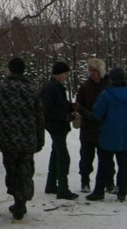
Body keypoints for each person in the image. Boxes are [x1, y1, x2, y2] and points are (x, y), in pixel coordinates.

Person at [0, 57, 45, 222]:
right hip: (28, 138)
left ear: (10, 70)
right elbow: (40, 117)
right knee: (25, 171)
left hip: (8, 138)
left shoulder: (0, 89)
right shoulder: (32, 90)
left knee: (12, 170)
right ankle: (21, 201)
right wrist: (40, 139)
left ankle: (17, 201)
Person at [86, 66, 127, 203]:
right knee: (124, 166)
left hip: (108, 134)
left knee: (104, 164)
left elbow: (97, 112)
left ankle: (99, 192)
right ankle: (122, 191)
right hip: (126, 135)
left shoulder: (107, 94)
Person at [74, 58, 114, 193]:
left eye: (95, 71)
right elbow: (79, 105)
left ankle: (109, 183)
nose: (92, 73)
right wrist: (89, 114)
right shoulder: (85, 87)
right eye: (90, 70)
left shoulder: (109, 87)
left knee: (107, 159)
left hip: (105, 128)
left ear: (100, 71)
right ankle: (85, 181)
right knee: (86, 158)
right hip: (88, 128)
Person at [40, 60, 78, 200]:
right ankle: (63, 188)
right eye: (66, 73)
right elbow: (48, 108)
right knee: (63, 157)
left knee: (56, 154)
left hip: (57, 125)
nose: (67, 76)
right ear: (60, 73)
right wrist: (65, 116)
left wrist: (70, 107)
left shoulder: (55, 87)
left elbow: (58, 104)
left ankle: (51, 185)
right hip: (56, 126)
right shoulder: (51, 88)